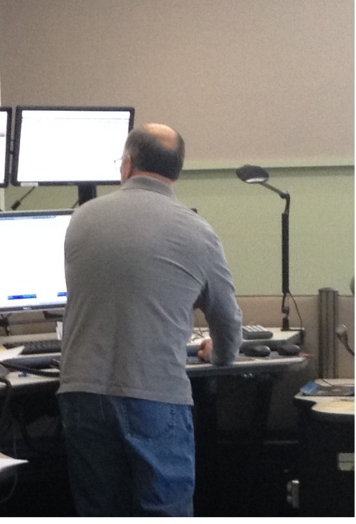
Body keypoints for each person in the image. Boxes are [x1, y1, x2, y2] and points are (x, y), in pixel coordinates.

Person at [57, 123, 243, 517]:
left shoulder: (81, 219)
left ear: (127, 164)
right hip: (154, 395)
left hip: (81, 395)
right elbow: (226, 320)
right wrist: (221, 356)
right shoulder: (198, 232)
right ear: (176, 172)